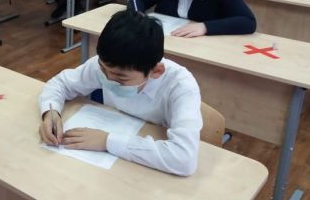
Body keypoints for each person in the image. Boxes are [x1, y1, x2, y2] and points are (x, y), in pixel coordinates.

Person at [38, 10, 202, 176]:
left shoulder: (181, 86)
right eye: (103, 70)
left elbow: (184, 159)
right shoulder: (107, 64)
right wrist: (51, 112)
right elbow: (60, 83)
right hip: (108, 162)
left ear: (156, 71)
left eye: (120, 78)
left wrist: (107, 141)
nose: (108, 80)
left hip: (141, 172)